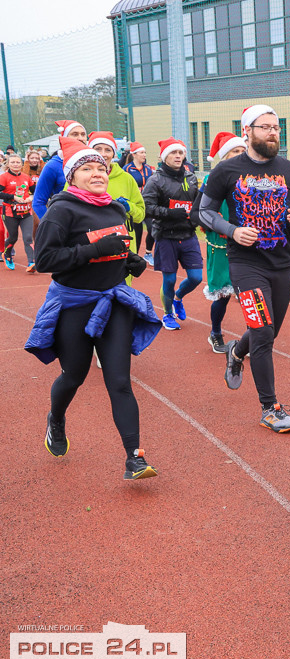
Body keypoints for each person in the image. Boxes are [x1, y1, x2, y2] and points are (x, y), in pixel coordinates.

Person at [25, 135, 161, 479]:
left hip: (113, 302)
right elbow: (46, 260)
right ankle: (56, 419)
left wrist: (129, 261)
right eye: (87, 168)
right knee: (74, 375)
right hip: (75, 305)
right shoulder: (61, 210)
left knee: (120, 381)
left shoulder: (115, 208)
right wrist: (95, 250)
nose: (97, 173)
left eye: (101, 167)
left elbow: (117, 247)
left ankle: (134, 458)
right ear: (72, 176)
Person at [197, 104, 290, 433]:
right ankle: (270, 408)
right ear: (247, 131)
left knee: (270, 330)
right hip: (246, 263)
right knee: (262, 332)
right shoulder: (227, 171)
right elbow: (204, 212)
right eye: (265, 127)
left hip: (283, 262)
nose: (273, 133)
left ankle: (236, 350)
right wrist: (232, 230)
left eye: (276, 128)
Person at [142, 137, 202, 331]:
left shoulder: (191, 177)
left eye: (180, 152)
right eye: (173, 153)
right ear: (164, 157)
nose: (177, 156)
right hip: (166, 236)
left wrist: (196, 219)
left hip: (188, 235)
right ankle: (167, 314)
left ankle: (178, 298)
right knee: (169, 279)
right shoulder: (155, 180)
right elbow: (147, 207)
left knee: (196, 277)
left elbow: (198, 204)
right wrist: (170, 213)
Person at [196, 131, 247, 353]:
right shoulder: (213, 178)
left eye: (243, 150)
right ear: (224, 155)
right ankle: (215, 333)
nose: (240, 154)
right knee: (223, 293)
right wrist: (218, 226)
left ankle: (252, 336)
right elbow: (199, 211)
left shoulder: (251, 177)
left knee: (250, 292)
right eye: (235, 151)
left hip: (247, 239)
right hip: (221, 241)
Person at [87, 132, 146, 262]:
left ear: (114, 154)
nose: (103, 154)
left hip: (121, 249)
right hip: (89, 249)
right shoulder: (77, 177)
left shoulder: (126, 179)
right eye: (98, 149)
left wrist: (128, 207)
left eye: (108, 150)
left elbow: (140, 215)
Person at [33, 120, 88, 221]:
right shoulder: (53, 166)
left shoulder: (93, 162)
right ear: (64, 138)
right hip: (66, 223)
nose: (80, 138)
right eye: (75, 134)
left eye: (83, 134)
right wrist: (51, 224)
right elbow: (38, 202)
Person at [0, 153, 37, 271]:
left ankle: (31, 262)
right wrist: (13, 197)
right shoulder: (4, 177)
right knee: (13, 237)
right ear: (8, 164)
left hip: (26, 212)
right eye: (13, 162)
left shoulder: (26, 177)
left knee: (28, 237)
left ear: (21, 164)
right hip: (10, 212)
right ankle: (7, 255)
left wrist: (31, 197)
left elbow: (35, 191)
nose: (15, 164)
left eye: (18, 162)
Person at [124, 141, 156, 260]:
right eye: (141, 152)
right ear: (134, 154)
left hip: (147, 204)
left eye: (145, 152)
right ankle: (134, 256)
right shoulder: (127, 169)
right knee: (137, 233)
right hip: (135, 205)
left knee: (152, 229)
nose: (144, 155)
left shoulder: (148, 169)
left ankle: (148, 253)